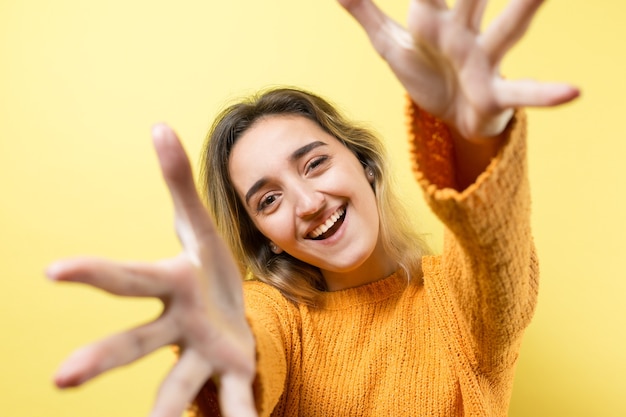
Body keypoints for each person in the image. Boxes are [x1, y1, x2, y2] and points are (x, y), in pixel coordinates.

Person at [46, 0, 579, 416]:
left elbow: (494, 253)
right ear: (263, 235)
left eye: (315, 163)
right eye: (269, 198)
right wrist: (223, 355)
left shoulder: (458, 303)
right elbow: (250, 351)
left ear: (364, 163)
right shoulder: (277, 317)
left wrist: (471, 137)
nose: (306, 203)